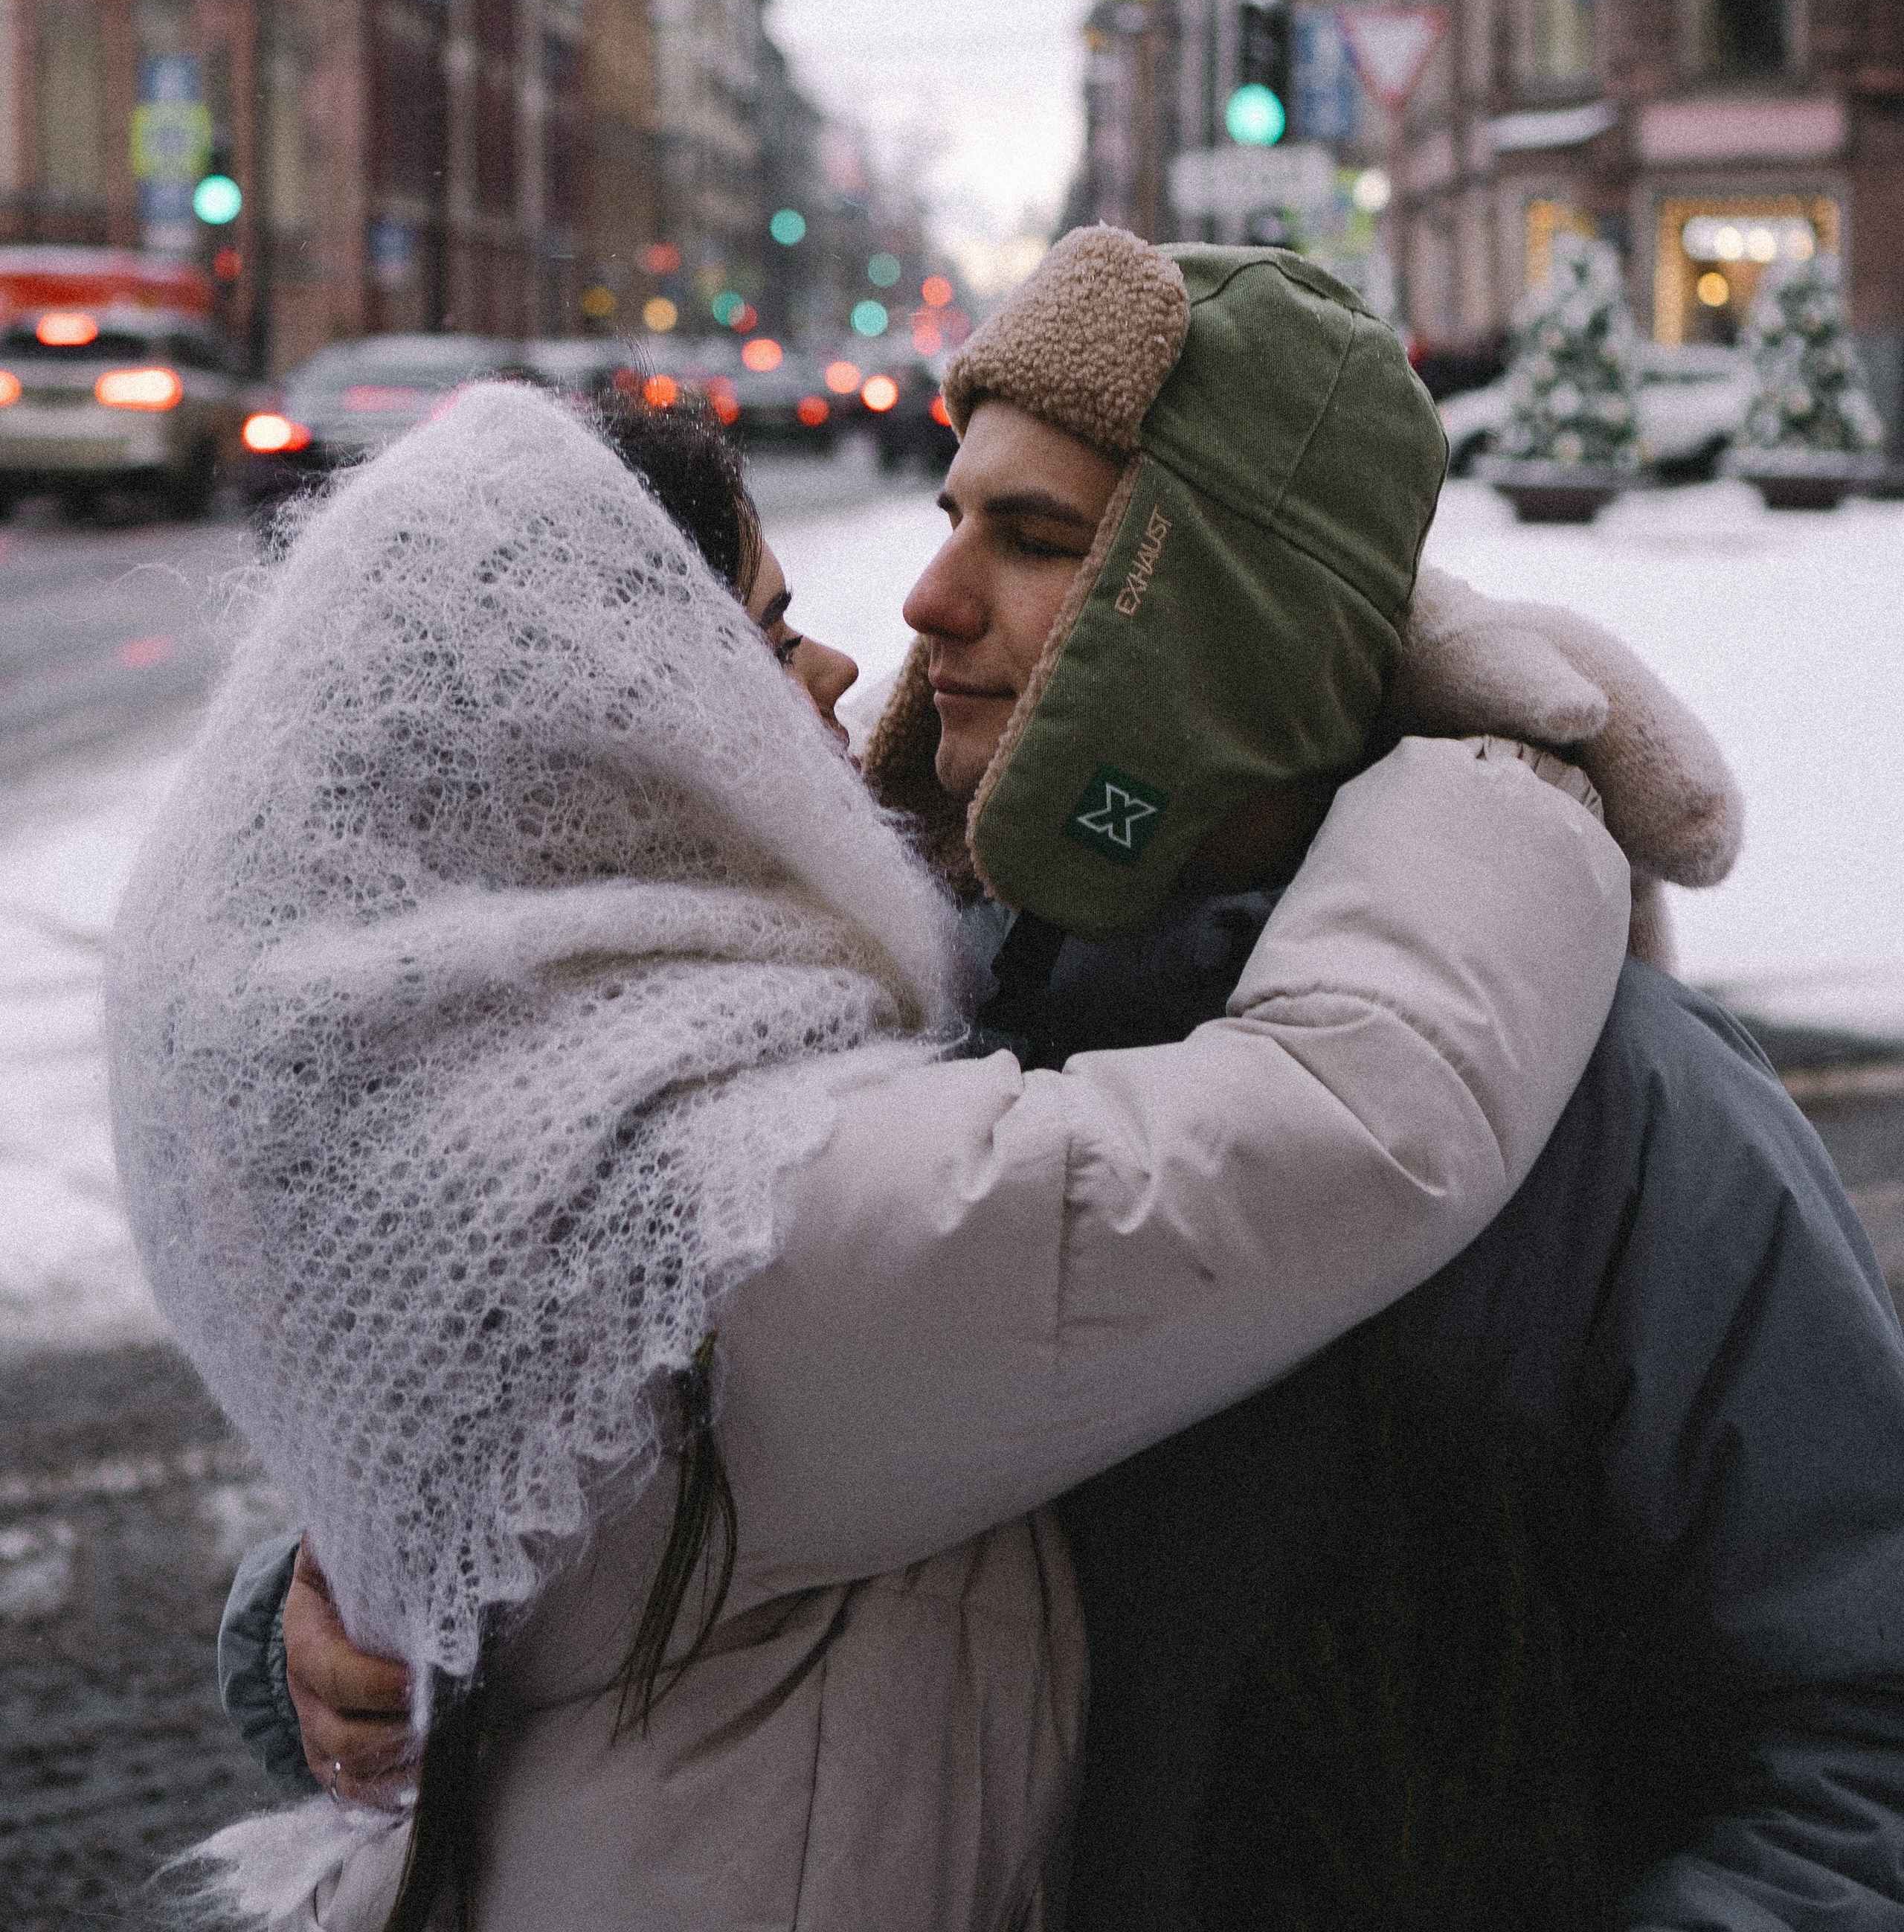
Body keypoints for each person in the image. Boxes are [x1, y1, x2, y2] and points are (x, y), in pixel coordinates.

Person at [242, 232, 1904, 1925]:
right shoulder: (895, 1034)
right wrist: (331, 1614)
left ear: (1223, 627)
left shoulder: (1613, 1107)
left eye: (1032, 541)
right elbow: (656, 1466)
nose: (925, 601)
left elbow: (1861, 1741)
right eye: (951, 517)